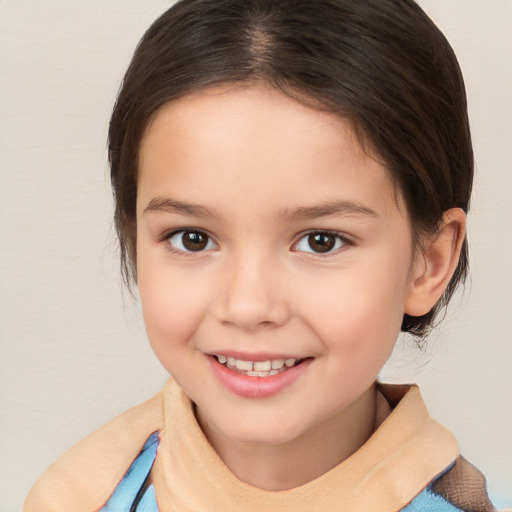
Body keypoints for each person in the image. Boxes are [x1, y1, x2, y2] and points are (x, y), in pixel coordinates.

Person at [23, 0, 500, 510]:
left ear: (428, 261)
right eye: (193, 238)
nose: (248, 306)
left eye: (321, 240)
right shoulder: (78, 496)